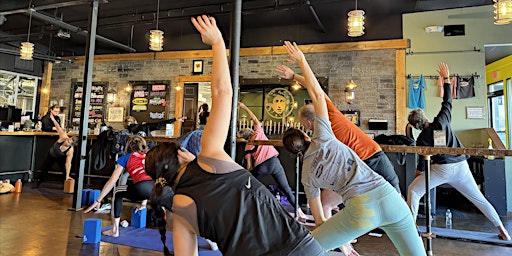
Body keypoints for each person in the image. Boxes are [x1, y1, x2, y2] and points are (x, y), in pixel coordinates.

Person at [144, 15, 327, 256]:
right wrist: (217, 43)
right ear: (181, 153)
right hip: (298, 249)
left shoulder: (180, 209)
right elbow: (222, 93)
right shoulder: (209, 157)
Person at [281, 41, 426, 255]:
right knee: (328, 203)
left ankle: (345, 244)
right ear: (305, 133)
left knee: (309, 244)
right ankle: (347, 248)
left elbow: (320, 220)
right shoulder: (324, 134)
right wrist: (301, 62)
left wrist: (335, 233)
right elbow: (316, 92)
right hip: (387, 196)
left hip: (370, 170)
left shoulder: (309, 169)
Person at [276, 64, 401, 218]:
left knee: (327, 205)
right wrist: (294, 75)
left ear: (309, 124)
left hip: (366, 162)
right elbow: (314, 88)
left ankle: (343, 240)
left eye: (303, 125)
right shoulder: (328, 121)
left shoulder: (321, 136)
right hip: (365, 162)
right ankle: (345, 239)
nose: (305, 129)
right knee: (395, 203)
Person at [407, 62, 511, 241]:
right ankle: (502, 230)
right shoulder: (443, 120)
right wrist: (446, 78)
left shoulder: (421, 138)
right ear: (424, 117)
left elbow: (422, 164)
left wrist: (417, 176)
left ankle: (409, 229)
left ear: (416, 126)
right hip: (461, 166)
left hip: (441, 169)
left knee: (413, 191)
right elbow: (447, 100)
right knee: (479, 200)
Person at [84, 135, 169, 237]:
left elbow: (112, 181)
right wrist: (143, 204)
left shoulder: (125, 158)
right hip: (157, 188)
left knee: (117, 192)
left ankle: (114, 230)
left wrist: (98, 200)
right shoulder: (149, 156)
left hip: (142, 186)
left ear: (128, 146)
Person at [237, 101, 301, 210]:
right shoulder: (258, 132)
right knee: (286, 189)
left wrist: (249, 175)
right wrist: (244, 107)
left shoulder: (248, 146)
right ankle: (299, 211)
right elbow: (254, 118)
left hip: (261, 167)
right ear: (251, 131)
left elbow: (249, 166)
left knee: (249, 186)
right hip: (274, 162)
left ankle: (244, 206)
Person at [35, 114, 76, 187]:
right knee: (44, 168)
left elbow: (68, 163)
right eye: (68, 139)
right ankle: (38, 183)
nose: (67, 141)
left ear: (71, 145)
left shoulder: (70, 150)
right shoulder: (64, 137)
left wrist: (67, 175)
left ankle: (66, 184)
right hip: (52, 154)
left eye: (69, 142)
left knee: (65, 170)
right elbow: (58, 127)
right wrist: (53, 119)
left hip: (60, 157)